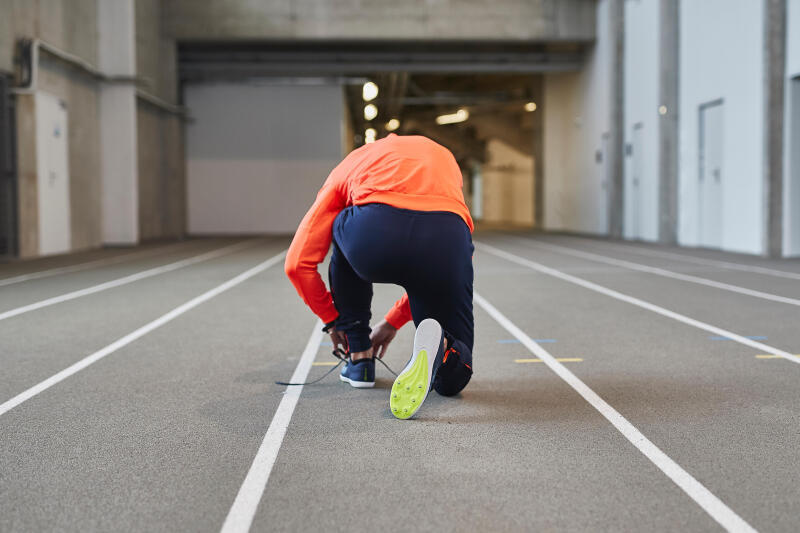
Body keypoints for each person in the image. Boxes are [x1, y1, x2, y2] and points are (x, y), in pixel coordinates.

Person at [284, 133, 474, 419]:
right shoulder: (444, 156)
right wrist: (393, 322)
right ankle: (446, 348)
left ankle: (359, 356)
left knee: (339, 222)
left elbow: (297, 264)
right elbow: (445, 254)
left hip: (375, 238)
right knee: (453, 374)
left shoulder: (352, 164)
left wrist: (335, 320)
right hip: (448, 244)